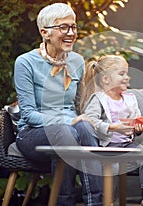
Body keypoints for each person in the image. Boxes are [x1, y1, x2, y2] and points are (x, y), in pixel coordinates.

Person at [14, 3, 103, 206]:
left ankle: (96, 202)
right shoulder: (25, 62)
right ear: (44, 32)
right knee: (65, 131)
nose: (71, 33)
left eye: (73, 27)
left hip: (68, 131)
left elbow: (81, 105)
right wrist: (69, 121)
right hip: (32, 132)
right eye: (63, 27)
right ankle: (65, 202)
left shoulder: (77, 61)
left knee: (85, 128)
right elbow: (28, 115)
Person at [81, 55, 143, 206]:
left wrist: (138, 128)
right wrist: (111, 127)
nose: (126, 78)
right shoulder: (99, 99)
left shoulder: (130, 99)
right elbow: (89, 120)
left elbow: (135, 122)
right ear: (106, 79)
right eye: (121, 74)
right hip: (106, 146)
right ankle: (107, 202)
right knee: (112, 166)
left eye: (127, 74)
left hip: (127, 144)